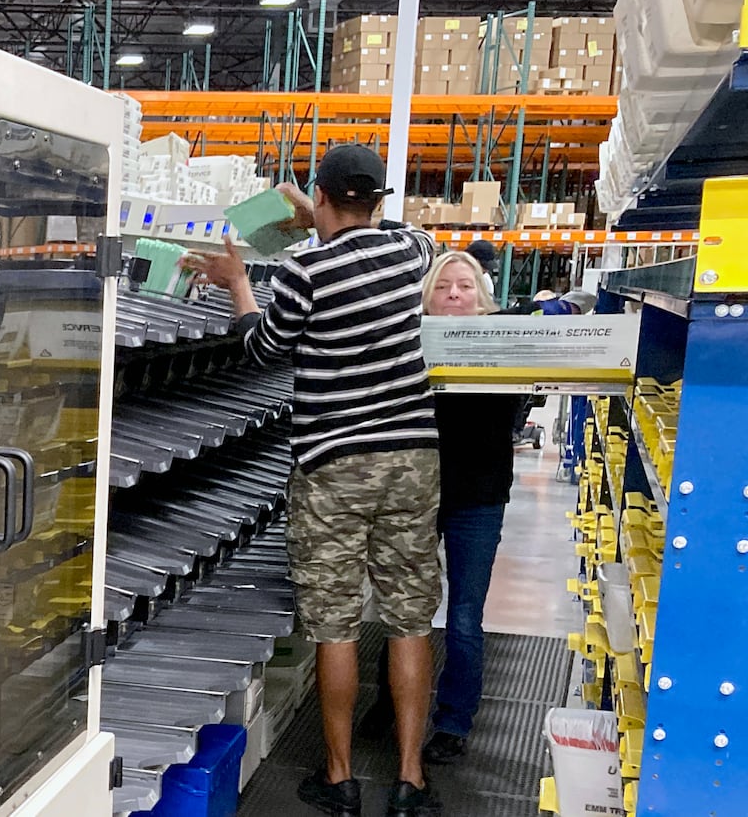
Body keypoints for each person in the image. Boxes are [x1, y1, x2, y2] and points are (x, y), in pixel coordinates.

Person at [186, 145, 443, 817]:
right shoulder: (412, 251)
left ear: (321, 197)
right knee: (410, 620)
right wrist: (325, 214)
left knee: (335, 626)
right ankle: (411, 780)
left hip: (332, 465)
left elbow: (263, 349)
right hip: (411, 460)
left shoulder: (305, 268)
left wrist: (240, 283)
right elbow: (401, 231)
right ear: (379, 201)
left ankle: (340, 778)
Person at [417, 251, 529, 764]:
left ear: (483, 299)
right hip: (417, 492)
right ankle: (389, 703)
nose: (455, 294)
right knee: (406, 610)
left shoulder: (505, 345)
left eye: (465, 286)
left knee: (464, 615)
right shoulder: (413, 347)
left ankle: (454, 720)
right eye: (444, 287)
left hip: (479, 497)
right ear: (429, 299)